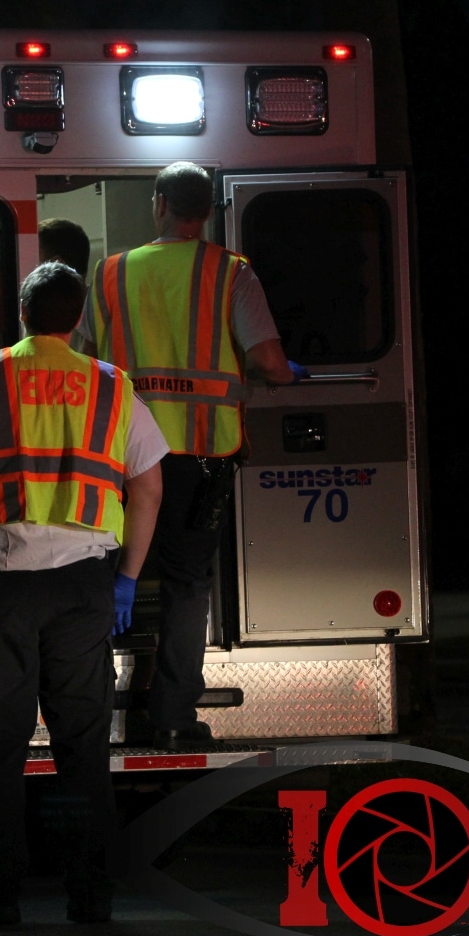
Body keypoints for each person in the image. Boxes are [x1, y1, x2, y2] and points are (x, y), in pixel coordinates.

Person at [0, 260, 167, 926]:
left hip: (1, 585)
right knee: (82, 748)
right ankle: (90, 894)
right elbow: (148, 488)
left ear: (23, 313)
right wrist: (126, 578)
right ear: (80, 318)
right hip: (84, 587)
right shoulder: (112, 386)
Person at [72, 161, 303, 746]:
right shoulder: (231, 272)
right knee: (186, 586)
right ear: (207, 211)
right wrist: (286, 372)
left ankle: (84, 708)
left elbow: (84, 359)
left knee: (100, 575)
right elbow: (272, 363)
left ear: (159, 204)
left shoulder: (111, 272)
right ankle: (172, 718)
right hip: (201, 454)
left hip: (120, 457)